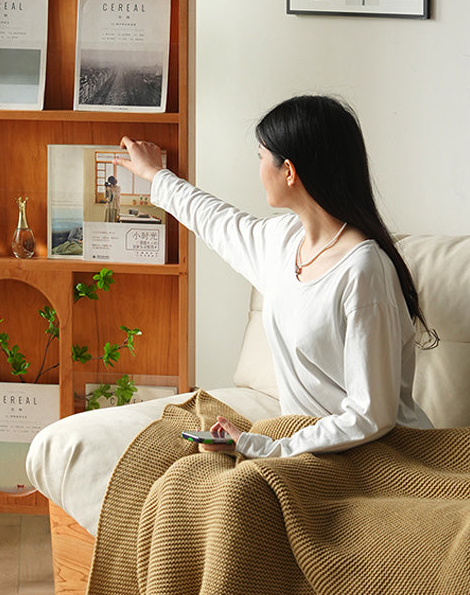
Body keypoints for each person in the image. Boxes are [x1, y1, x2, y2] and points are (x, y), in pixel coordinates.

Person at [114, 94, 435, 460]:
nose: (259, 167)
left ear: (289, 171)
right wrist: (156, 175)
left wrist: (264, 447)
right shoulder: (282, 243)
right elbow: (216, 221)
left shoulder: (364, 271)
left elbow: (371, 416)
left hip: (376, 454)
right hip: (306, 446)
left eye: (262, 156)